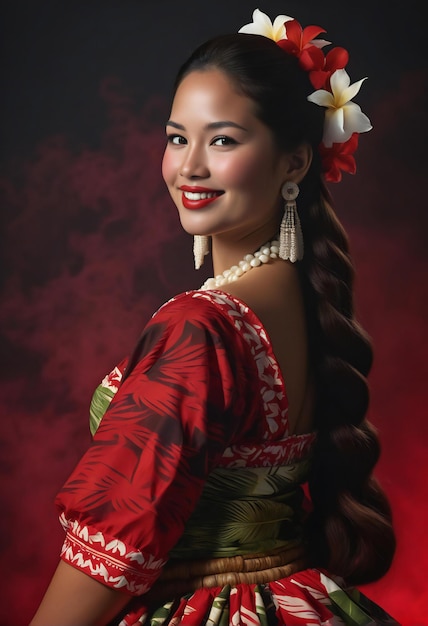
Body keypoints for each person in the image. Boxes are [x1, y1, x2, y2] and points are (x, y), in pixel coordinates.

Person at [30, 8, 399, 626]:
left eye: (223, 139)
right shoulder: (305, 296)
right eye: (178, 137)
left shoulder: (199, 327)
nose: (190, 166)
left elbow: (112, 547)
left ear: (295, 162)